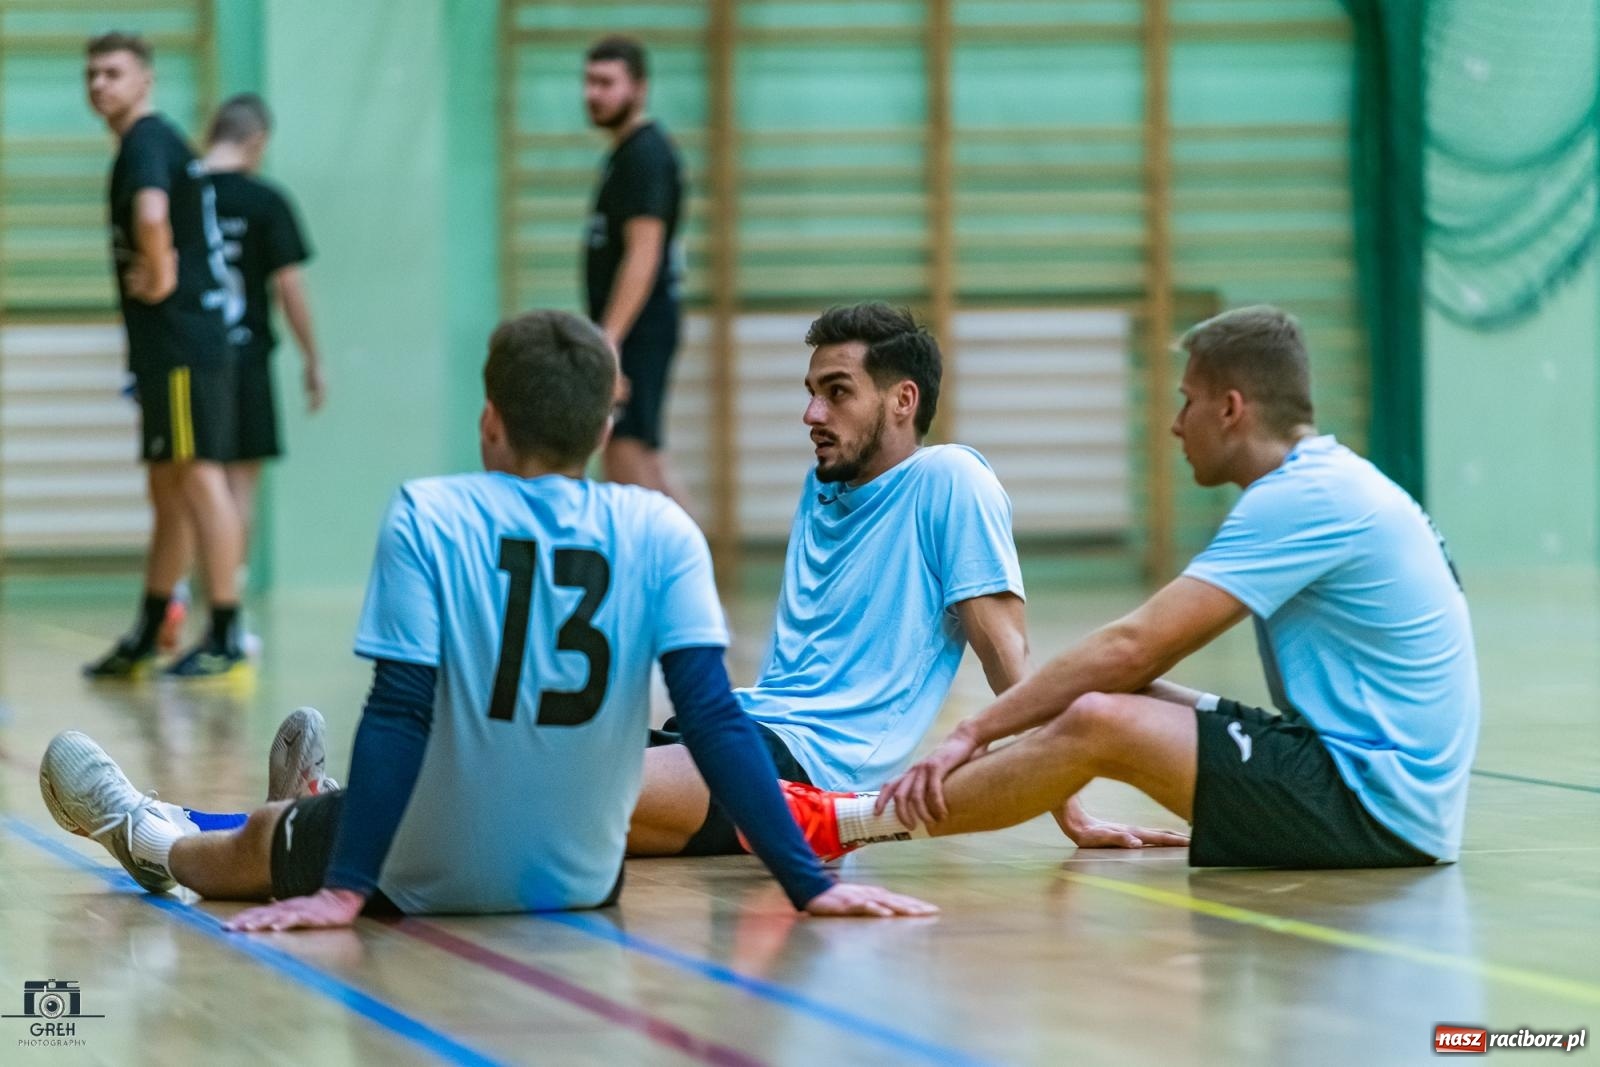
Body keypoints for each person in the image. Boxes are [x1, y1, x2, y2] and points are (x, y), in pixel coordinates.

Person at [40, 310, 934, 928]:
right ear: (601, 421)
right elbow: (711, 719)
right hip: (584, 878)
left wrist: (346, 887)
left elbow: (398, 711)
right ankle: (292, 814)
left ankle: (146, 832)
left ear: (490, 421)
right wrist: (808, 885)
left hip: (425, 866)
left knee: (259, 852)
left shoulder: (430, 513)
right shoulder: (662, 527)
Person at [785, 305, 1478, 870]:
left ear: (1232, 409)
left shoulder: (1305, 499)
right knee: (1097, 693)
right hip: (1359, 772)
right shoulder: (1330, 482)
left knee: (1100, 718)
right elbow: (1119, 664)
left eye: (1188, 401)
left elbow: (1136, 644)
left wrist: (973, 731)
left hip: (1376, 807)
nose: (1176, 424)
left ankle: (844, 822)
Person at [626, 303, 1177, 860]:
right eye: (811, 392)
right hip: (738, 730)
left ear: (902, 401)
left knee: (565, 798)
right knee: (547, 788)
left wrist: (1066, 801)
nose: (812, 413)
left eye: (837, 392)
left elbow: (1005, 653)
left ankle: (826, 821)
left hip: (806, 769)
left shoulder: (950, 480)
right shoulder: (822, 485)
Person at [82, 31, 248, 681]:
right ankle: (152, 625)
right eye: (92, 75)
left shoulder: (147, 142)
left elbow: (152, 216)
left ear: (145, 80)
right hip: (171, 346)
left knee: (198, 476)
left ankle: (228, 629)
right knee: (169, 485)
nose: (99, 85)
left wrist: (160, 269)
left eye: (113, 74)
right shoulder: (155, 143)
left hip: (182, 342)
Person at [159, 94, 326, 652]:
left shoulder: (184, 191)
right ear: (257, 142)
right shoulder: (265, 200)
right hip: (246, 355)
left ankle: (181, 590)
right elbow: (288, 286)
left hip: (190, 353)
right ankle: (226, 613)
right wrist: (312, 358)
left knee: (190, 482)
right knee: (236, 489)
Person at [583, 35, 687, 501]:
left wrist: (611, 337)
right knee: (642, 453)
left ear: (639, 89)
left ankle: (673, 571)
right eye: (588, 82)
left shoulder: (646, 156)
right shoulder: (626, 154)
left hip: (639, 330)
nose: (593, 94)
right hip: (636, 330)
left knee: (625, 451)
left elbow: (644, 254)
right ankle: (696, 572)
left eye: (606, 83)